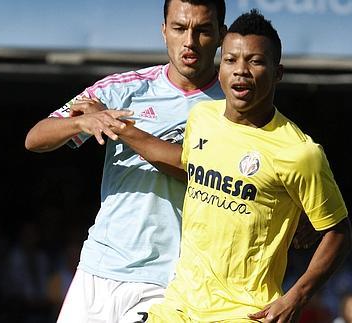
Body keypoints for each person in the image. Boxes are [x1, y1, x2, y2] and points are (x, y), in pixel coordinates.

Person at [109, 9, 352, 322]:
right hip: (178, 306)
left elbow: (339, 233)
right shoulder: (202, 118)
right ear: (220, 66)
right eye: (231, 60)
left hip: (244, 313)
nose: (241, 71)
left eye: (255, 61)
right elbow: (187, 166)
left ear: (278, 72)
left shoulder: (300, 152)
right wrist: (120, 128)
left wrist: (297, 296)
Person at [25, 1, 227, 322]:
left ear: (221, 36)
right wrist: (80, 123)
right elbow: (35, 138)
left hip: (170, 278)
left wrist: (121, 129)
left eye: (202, 30)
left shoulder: (231, 107)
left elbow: (200, 174)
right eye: (179, 28)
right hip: (98, 268)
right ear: (163, 32)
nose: (189, 41)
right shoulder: (125, 88)